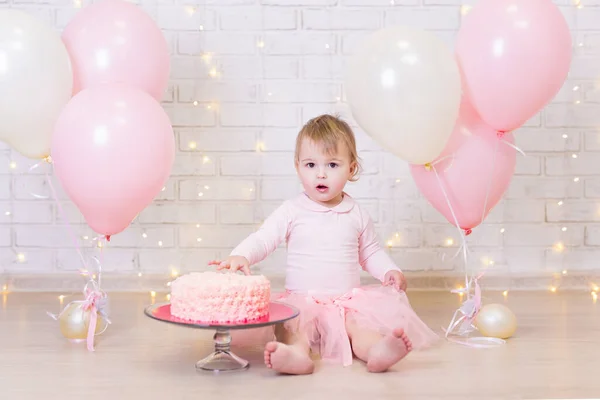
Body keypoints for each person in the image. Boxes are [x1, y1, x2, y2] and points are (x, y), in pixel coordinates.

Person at [209, 114, 438, 375]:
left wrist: (389, 271)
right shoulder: (291, 210)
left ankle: (376, 351)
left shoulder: (356, 213)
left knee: (362, 329)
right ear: (297, 167)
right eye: (310, 165)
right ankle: (296, 356)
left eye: (332, 164)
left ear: (351, 169)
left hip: (347, 301)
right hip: (302, 301)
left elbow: (371, 251)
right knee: (293, 329)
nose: (320, 173)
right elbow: (265, 237)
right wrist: (242, 255)